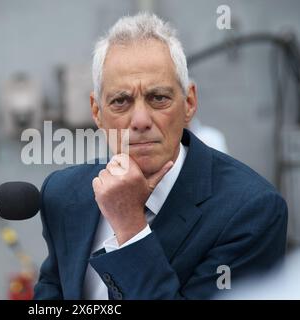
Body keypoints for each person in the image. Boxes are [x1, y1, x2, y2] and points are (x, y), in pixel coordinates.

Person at [34, 12, 288, 300]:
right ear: (97, 112)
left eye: (158, 98)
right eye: (120, 101)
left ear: (189, 103)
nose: (140, 120)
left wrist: (130, 226)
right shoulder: (63, 193)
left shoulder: (251, 211)